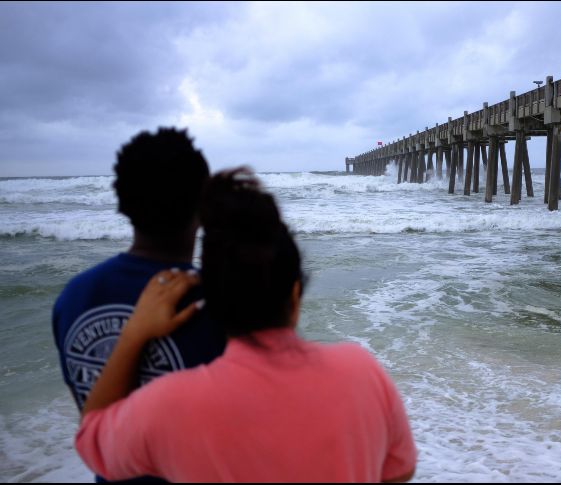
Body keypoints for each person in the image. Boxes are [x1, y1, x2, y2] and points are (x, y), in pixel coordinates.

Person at [74, 168, 418, 482]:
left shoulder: (170, 405)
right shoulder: (362, 371)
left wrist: (134, 333)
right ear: (294, 292)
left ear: (212, 299)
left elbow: (93, 441)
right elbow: (400, 470)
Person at [52, 128, 227, 482]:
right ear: (202, 207)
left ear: (121, 204)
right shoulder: (222, 306)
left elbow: (92, 418)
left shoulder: (73, 297)